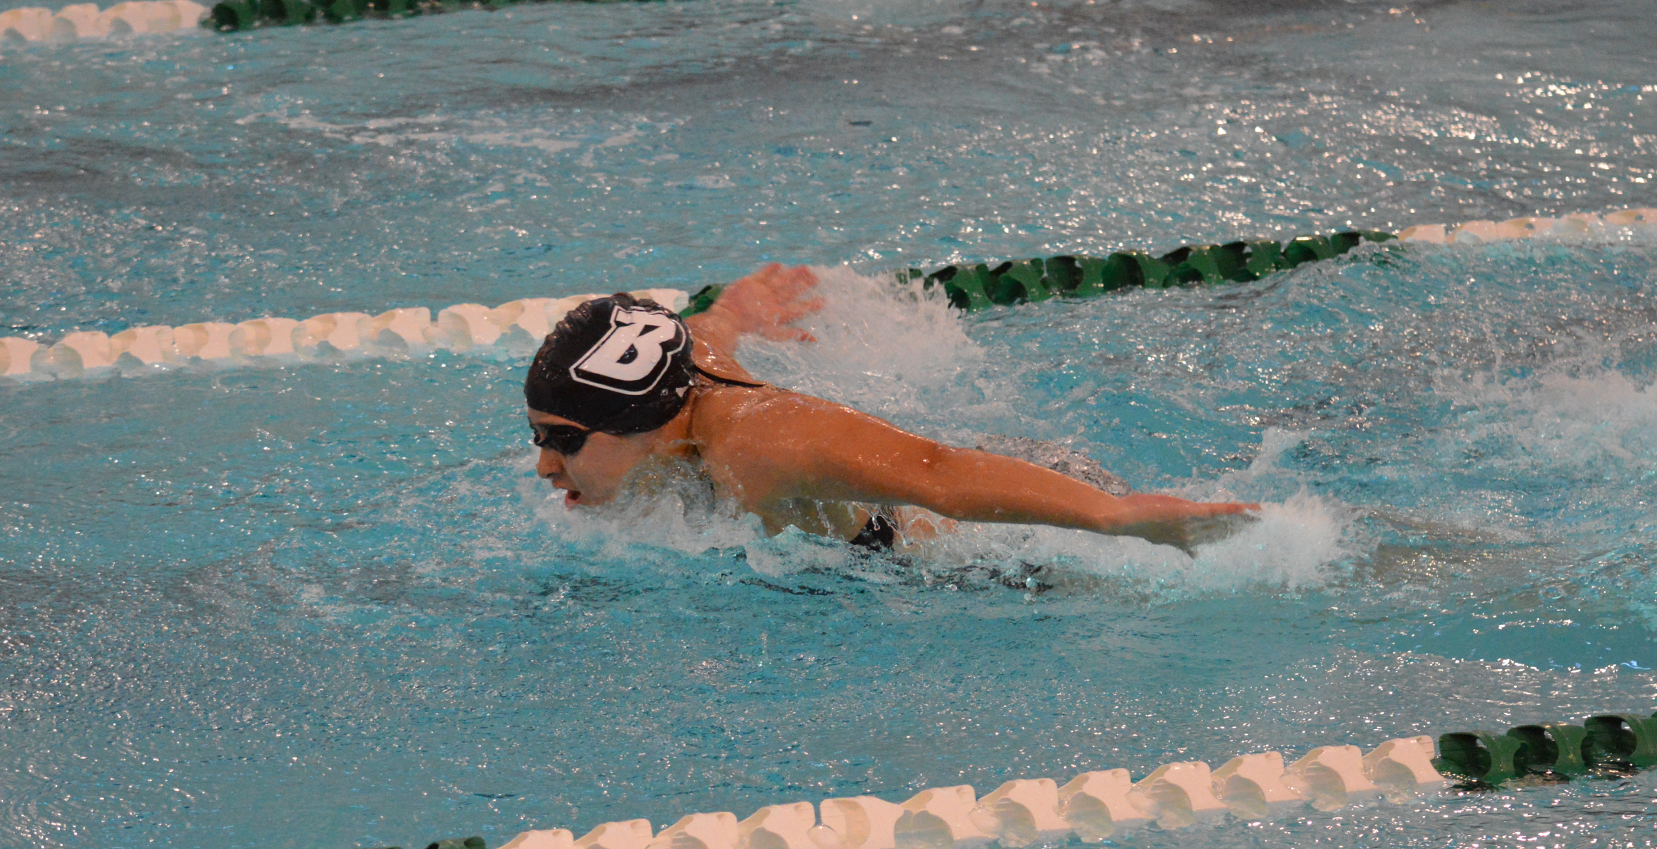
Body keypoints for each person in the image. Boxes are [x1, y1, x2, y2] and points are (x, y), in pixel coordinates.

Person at [525, 263, 1256, 552]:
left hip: (1017, 551)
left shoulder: (759, 444)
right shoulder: (680, 383)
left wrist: (1113, 516)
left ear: (635, 425)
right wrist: (735, 309)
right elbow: (700, 336)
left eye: (563, 440)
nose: (544, 466)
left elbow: (934, 471)